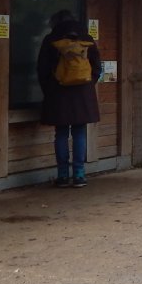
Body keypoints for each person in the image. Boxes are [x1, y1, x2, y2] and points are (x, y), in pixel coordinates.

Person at [36, 9, 102, 188]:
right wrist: (87, 83)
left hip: (59, 93)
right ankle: (79, 175)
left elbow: (42, 69)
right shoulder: (87, 39)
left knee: (61, 133)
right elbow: (97, 67)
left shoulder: (51, 40)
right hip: (83, 94)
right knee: (79, 132)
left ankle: (63, 175)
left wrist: (50, 89)